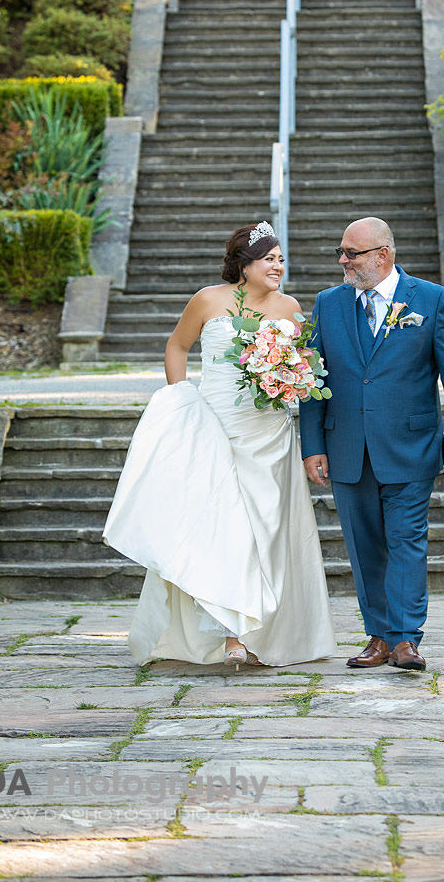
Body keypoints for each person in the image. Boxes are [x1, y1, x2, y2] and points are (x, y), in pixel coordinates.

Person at [102, 222, 337, 669]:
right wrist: (182, 402)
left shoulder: (290, 308)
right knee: (220, 528)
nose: (278, 266)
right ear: (244, 265)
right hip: (214, 428)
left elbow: (304, 366)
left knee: (265, 529)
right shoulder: (208, 300)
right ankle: (233, 634)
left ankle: (258, 629)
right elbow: (177, 347)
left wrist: (291, 381)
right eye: (269, 259)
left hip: (269, 435)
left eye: (281, 259)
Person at [298, 217, 444, 672]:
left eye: (351, 253)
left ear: (383, 255)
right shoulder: (327, 304)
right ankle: (377, 635)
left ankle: (404, 640)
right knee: (364, 545)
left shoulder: (432, 301)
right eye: (341, 252)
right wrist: (312, 445)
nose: (343, 261)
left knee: (406, 541)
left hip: (410, 445)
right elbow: (314, 379)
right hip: (347, 448)